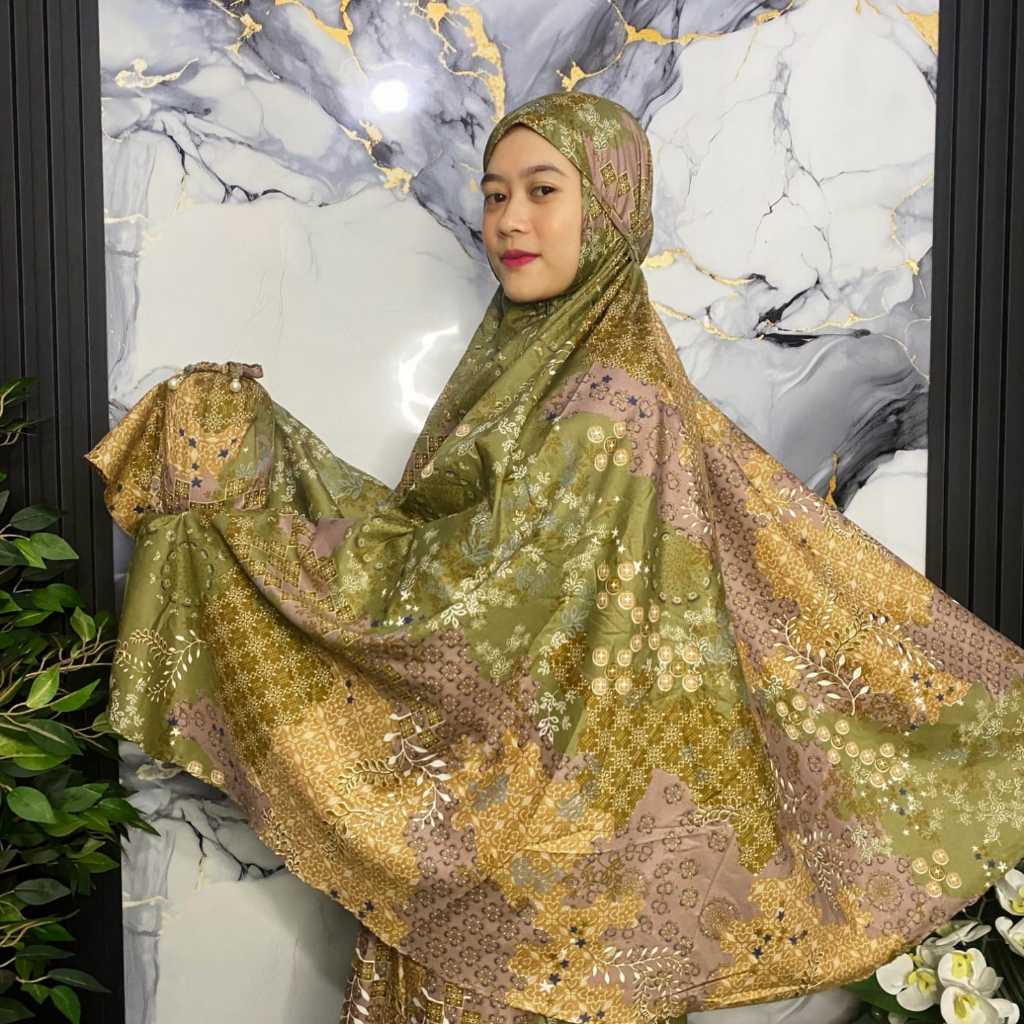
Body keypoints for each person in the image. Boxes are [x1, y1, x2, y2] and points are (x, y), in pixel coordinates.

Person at [85, 92, 1024, 1024]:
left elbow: (455, 606)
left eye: (543, 190)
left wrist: (249, 469)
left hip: (542, 888)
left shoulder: (609, 405)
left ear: (609, 209)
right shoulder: (534, 370)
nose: (509, 221)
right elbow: (458, 564)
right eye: (495, 194)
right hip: (540, 862)